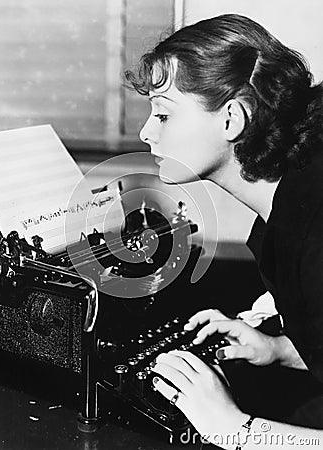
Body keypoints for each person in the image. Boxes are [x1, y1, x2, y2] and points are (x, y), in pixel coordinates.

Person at [126, 14, 323, 449]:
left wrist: (236, 429)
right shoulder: (292, 204)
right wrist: (281, 350)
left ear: (232, 118)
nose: (145, 133)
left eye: (162, 114)